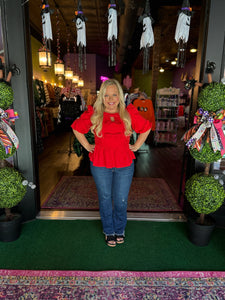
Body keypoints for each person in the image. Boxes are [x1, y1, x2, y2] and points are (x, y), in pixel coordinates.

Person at [71, 79, 151, 247]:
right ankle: (109, 230)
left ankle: (119, 229)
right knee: (105, 198)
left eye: (114, 94)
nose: (110, 99)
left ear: (120, 96)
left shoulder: (128, 112)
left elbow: (146, 127)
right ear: (102, 97)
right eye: (106, 95)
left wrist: (136, 146)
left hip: (124, 165)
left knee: (121, 199)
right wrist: (86, 145)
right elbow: (77, 128)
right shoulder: (95, 113)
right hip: (100, 164)